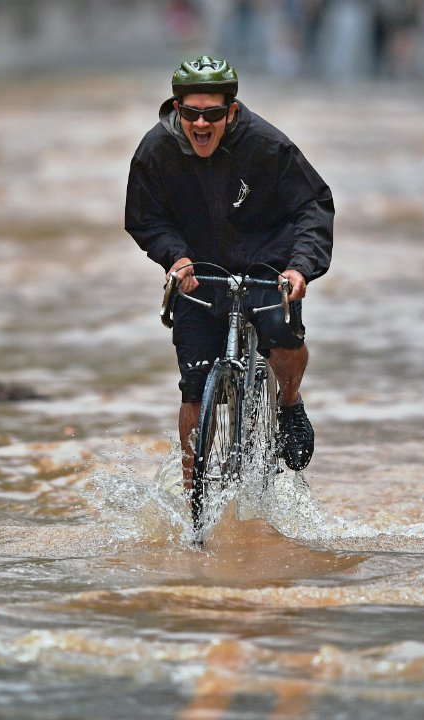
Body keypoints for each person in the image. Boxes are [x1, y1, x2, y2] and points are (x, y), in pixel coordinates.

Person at [124, 55, 334, 491]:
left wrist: (300, 268)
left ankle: (290, 403)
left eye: (213, 114)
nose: (202, 124)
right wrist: (175, 258)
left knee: (283, 333)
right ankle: (193, 497)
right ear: (177, 109)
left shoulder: (267, 145)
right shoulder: (155, 151)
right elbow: (144, 218)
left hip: (266, 268)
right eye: (191, 113)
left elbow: (312, 205)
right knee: (194, 383)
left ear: (231, 112)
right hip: (199, 277)